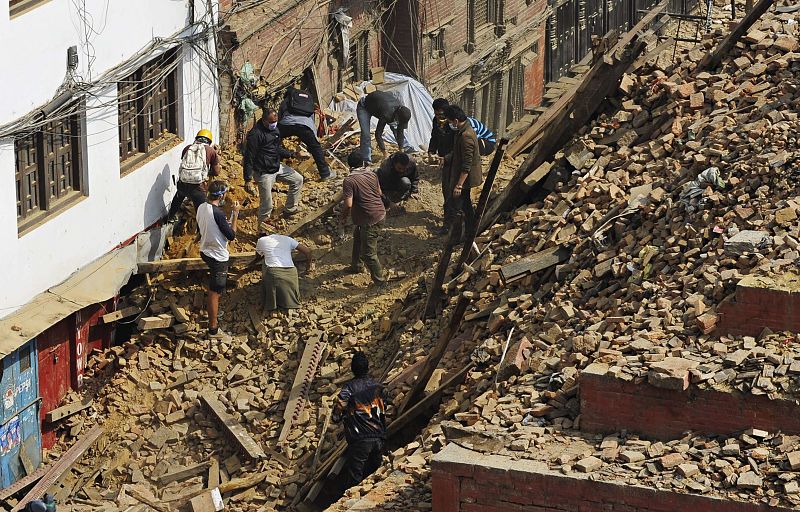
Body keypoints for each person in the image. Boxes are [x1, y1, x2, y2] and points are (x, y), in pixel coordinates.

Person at [332, 351, 388, 490]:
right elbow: (384, 406)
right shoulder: (378, 387)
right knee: (374, 476)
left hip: (360, 439)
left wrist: (337, 417)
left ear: (352, 369)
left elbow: (339, 406)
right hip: (378, 437)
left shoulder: (349, 388)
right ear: (367, 368)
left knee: (354, 479)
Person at [243, 108, 304, 233]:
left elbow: (277, 148)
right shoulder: (255, 134)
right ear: (264, 121)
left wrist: (292, 154)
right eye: (271, 122)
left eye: (275, 121)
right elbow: (249, 157)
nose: (274, 124)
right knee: (267, 205)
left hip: (276, 166)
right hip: (263, 172)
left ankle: (290, 209)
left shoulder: (275, 129)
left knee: (298, 179)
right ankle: (262, 233)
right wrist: (248, 179)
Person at [197, 181, 240, 339]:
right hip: (218, 257)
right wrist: (235, 215)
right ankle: (213, 329)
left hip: (205, 251)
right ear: (221, 195)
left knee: (214, 288)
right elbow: (232, 236)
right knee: (215, 292)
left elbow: (209, 225)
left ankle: (213, 311)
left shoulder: (202, 207)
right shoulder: (219, 214)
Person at [340, 151, 386, 285]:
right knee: (358, 237)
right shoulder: (372, 174)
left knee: (369, 254)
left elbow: (348, 205)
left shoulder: (349, 180)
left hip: (371, 219)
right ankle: (357, 267)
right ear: (363, 163)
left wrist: (343, 218)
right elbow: (379, 193)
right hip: (378, 213)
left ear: (349, 165)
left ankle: (381, 283)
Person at [278, 87, 335, 181]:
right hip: (305, 126)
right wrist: (311, 140)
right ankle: (325, 174)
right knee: (316, 148)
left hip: (286, 125)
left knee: (274, 140)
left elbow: (280, 116)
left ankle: (276, 167)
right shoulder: (308, 102)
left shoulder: (286, 101)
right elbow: (311, 119)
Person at [444, 105, 482, 238]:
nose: (449, 124)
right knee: (465, 204)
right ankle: (469, 231)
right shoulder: (462, 130)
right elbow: (458, 152)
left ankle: (460, 235)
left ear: (455, 121)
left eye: (449, 121)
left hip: (465, 178)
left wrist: (459, 185)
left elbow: (467, 164)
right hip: (461, 174)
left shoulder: (466, 135)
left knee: (459, 206)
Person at [166, 129, 221, 221]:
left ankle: (169, 219)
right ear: (209, 141)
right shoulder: (211, 150)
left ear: (197, 138)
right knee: (201, 211)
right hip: (198, 188)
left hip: (183, 185)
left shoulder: (187, 148)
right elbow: (216, 172)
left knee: (177, 200)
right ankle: (200, 232)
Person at [255, 231, 313, 314]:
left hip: (274, 273)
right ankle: (289, 301)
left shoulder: (261, 240)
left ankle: (269, 301)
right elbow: (308, 252)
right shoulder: (288, 239)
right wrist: (308, 267)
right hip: (291, 274)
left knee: (265, 263)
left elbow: (257, 257)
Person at [356, 90, 412, 164]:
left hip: (378, 105)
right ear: (397, 116)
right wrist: (385, 153)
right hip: (364, 107)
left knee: (395, 128)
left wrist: (401, 150)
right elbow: (378, 134)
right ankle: (366, 160)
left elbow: (400, 130)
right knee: (366, 134)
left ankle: (405, 148)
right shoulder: (387, 113)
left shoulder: (401, 110)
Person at [428, 98, 496, 157]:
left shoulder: (464, 125)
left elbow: (471, 143)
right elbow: (435, 136)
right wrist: (431, 151)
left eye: (442, 115)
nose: (439, 118)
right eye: (436, 115)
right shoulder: (436, 121)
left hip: (484, 142)